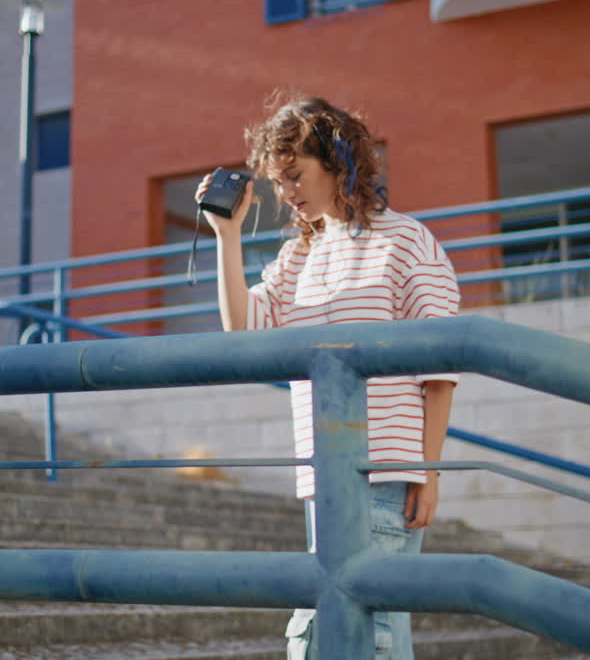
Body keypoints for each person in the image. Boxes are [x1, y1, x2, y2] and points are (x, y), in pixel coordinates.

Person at [195, 93, 460, 659]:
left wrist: (427, 470)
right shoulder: (299, 256)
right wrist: (228, 236)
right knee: (356, 630)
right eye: (278, 180)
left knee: (362, 632)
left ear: (337, 159)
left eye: (295, 174)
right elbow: (243, 331)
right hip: (323, 475)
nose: (286, 191)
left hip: (385, 471)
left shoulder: (406, 240)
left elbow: (441, 367)